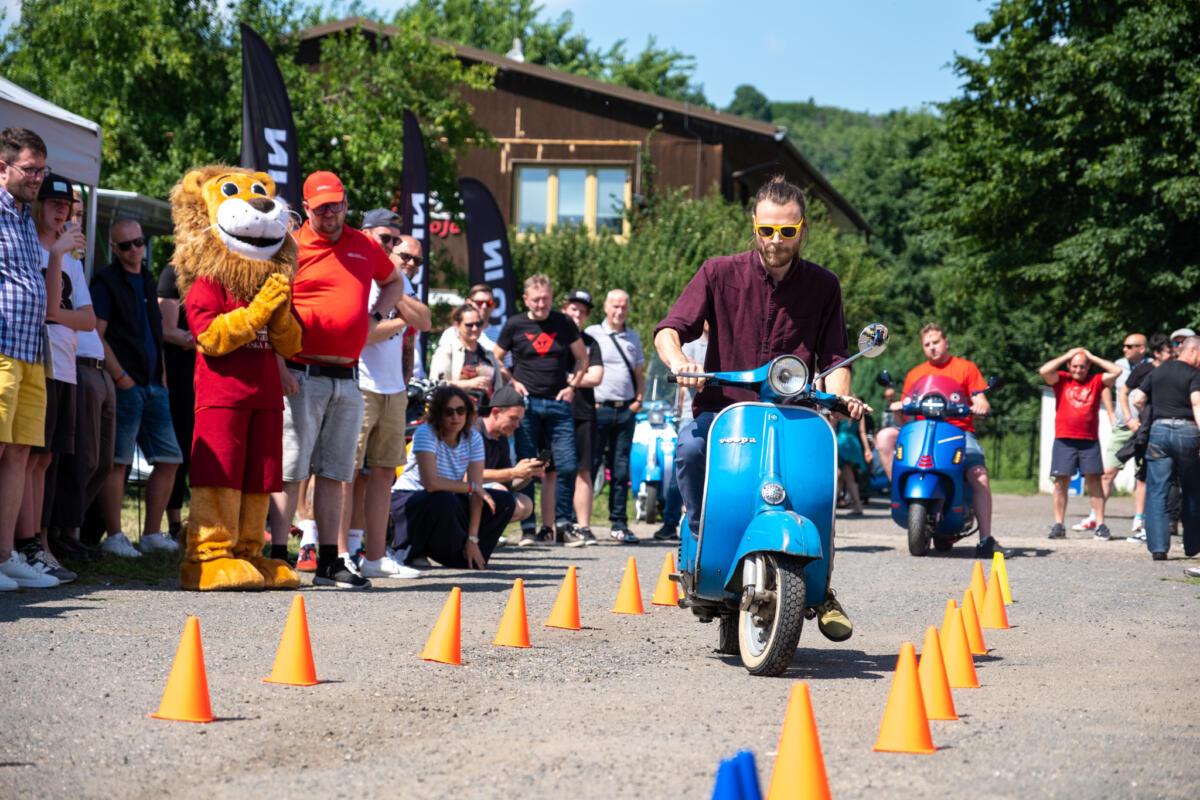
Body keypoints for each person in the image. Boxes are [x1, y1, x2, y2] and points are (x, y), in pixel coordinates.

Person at [654, 175, 865, 642]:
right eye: (767, 230)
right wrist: (680, 362)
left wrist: (840, 395)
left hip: (794, 416)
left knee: (818, 482)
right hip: (724, 411)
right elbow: (670, 328)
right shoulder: (718, 272)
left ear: (803, 229)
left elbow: (835, 357)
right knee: (689, 449)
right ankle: (701, 533)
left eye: (787, 231)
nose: (776, 240)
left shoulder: (824, 285)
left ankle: (821, 582)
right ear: (754, 225)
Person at [266, 171, 408, 589]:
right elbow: (269, 308)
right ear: (306, 208)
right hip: (301, 372)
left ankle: (330, 559)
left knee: (335, 472)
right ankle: (278, 556)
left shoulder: (364, 244)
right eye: (321, 208)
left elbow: (393, 281)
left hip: (347, 376)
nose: (330, 214)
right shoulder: (290, 246)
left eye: (336, 205)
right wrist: (278, 366)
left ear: (346, 203)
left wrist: (375, 316)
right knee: (292, 470)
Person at [0, 128, 81, 589]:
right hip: (2, 348)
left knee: (19, 454)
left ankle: (5, 556)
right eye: (30, 170)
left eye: (41, 170)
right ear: (2, 167)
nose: (38, 178)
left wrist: (56, 254)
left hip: (32, 350)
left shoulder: (22, 219)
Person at [15, 174, 96, 585]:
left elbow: (89, 320)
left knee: (46, 460)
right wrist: (58, 258)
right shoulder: (34, 249)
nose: (61, 211)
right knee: (28, 457)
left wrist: (60, 315)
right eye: (53, 203)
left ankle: (39, 544)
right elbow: (48, 310)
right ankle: (25, 545)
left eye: (66, 206)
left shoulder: (72, 261)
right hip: (39, 360)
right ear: (38, 205)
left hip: (65, 366)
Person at [343, 208, 431, 580]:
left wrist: (397, 297)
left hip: (394, 388)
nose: (395, 250)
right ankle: (340, 552)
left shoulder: (397, 280)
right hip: (361, 384)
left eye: (398, 242)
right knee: (346, 474)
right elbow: (362, 334)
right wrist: (399, 318)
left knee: (382, 475)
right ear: (366, 234)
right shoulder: (357, 272)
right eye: (388, 241)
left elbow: (425, 320)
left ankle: (375, 556)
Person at [90, 218, 183, 558]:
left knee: (170, 459)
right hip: (126, 384)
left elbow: (155, 332)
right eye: (126, 245)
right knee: (118, 462)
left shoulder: (146, 277)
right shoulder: (105, 282)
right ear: (114, 248)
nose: (135, 250)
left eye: (139, 242)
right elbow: (96, 334)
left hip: (154, 384)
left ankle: (152, 534)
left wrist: (162, 374)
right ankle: (115, 536)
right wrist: (120, 376)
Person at [874, 323, 1006, 558]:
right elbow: (904, 416)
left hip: (958, 431)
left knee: (979, 475)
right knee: (884, 437)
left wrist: (980, 405)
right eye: (927, 344)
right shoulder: (915, 374)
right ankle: (900, 493)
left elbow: (981, 400)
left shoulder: (965, 368)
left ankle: (986, 539)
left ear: (946, 342)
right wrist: (896, 406)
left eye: (936, 342)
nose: (932, 347)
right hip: (921, 430)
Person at [494, 274, 589, 544]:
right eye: (536, 299)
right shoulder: (515, 324)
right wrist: (513, 382)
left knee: (567, 465)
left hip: (559, 402)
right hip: (527, 404)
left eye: (546, 299)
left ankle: (563, 524)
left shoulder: (563, 322)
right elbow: (496, 357)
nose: (541, 304)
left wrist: (573, 387)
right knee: (528, 465)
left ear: (552, 298)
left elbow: (582, 358)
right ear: (526, 299)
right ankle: (528, 529)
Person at [390, 385, 515, 569]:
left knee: (504, 501)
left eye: (460, 411)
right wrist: (473, 488)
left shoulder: (473, 438)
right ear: (438, 414)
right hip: (409, 498)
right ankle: (412, 550)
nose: (455, 417)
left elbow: (476, 490)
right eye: (448, 412)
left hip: (447, 498)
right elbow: (431, 483)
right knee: (443, 498)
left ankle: (467, 556)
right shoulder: (426, 433)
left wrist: (472, 538)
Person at [1039, 347, 1122, 540]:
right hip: (1064, 439)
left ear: (1088, 367)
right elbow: (1044, 371)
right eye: (1075, 366)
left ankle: (1100, 524)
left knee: (1094, 482)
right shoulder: (1062, 379)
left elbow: (1117, 371)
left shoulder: (1096, 381)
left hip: (1089, 440)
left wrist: (1091, 356)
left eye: (1082, 366)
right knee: (1061, 482)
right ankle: (1059, 524)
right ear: (1069, 366)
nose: (1078, 370)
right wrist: (1067, 356)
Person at [586, 289, 646, 544]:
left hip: (625, 410)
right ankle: (582, 523)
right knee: (589, 465)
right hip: (599, 408)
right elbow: (582, 367)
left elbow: (639, 372)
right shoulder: (592, 333)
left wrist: (638, 400)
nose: (619, 311)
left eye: (623, 306)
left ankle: (619, 522)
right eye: (615, 306)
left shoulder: (633, 337)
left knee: (620, 469)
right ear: (605, 307)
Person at [1133, 335, 1199, 560]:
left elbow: (1138, 399)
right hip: (1188, 432)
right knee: (1192, 488)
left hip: (1159, 432)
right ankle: (1192, 545)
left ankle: (1159, 548)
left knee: (1157, 490)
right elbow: (1197, 403)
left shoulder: (1157, 371)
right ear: (1193, 351)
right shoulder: (1194, 375)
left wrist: (1147, 417)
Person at [552, 290, 605, 547]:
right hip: (554, 410)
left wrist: (564, 378)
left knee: (583, 469)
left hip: (583, 412)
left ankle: (583, 526)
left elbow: (596, 376)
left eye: (582, 312)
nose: (577, 314)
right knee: (553, 469)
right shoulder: (552, 338)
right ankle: (551, 525)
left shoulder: (590, 342)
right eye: (573, 309)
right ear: (564, 310)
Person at [657, 324, 709, 541]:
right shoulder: (693, 344)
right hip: (691, 412)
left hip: (721, 411)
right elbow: (683, 379)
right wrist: (679, 412)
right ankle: (670, 521)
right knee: (685, 460)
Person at [156, 263, 196, 542]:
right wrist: (209, 340)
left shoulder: (220, 272)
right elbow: (167, 330)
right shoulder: (174, 272)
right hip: (180, 372)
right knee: (180, 446)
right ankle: (173, 523)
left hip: (208, 372)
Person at [1122, 334, 1173, 542]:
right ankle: (1141, 520)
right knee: (1146, 476)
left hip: (1160, 429)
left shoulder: (1173, 369)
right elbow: (1128, 394)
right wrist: (1131, 419)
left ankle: (1159, 525)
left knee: (1162, 479)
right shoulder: (1145, 370)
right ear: (1157, 353)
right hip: (1149, 429)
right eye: (1168, 351)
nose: (1172, 354)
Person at [476, 383, 545, 526]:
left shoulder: (501, 438)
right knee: (501, 495)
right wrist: (513, 472)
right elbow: (468, 475)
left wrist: (528, 473)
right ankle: (472, 535)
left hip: (484, 490)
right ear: (495, 412)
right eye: (513, 418)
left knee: (526, 505)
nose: (517, 425)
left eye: (519, 420)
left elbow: (508, 484)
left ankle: (483, 534)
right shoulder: (474, 432)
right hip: (461, 491)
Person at [430, 303, 504, 400]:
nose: (475, 328)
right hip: (458, 407)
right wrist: (469, 384)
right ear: (457, 325)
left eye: (478, 324)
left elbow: (498, 387)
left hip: (487, 408)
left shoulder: (488, 354)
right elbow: (436, 385)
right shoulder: (447, 351)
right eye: (469, 325)